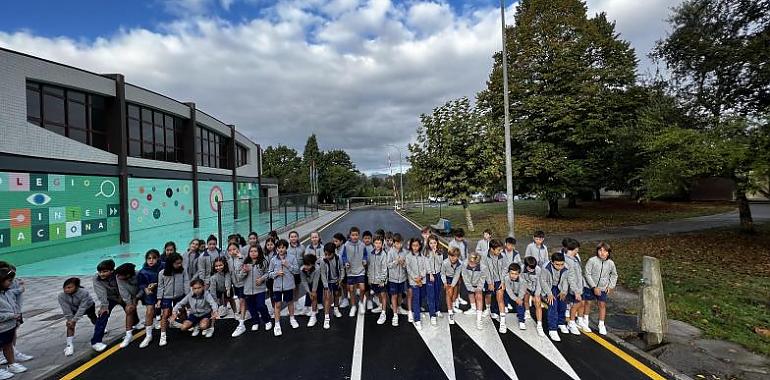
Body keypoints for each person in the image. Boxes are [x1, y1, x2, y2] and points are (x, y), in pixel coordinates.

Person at [90, 260, 127, 352]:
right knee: (103, 315)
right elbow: (100, 292)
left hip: (121, 295)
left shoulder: (118, 274)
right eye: (100, 271)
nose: (101, 274)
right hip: (108, 298)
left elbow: (124, 285)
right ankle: (96, 342)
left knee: (130, 309)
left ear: (112, 271)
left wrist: (123, 298)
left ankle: (134, 324)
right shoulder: (96, 278)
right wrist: (104, 306)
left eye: (104, 271)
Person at [583, 242, 618, 336]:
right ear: (597, 251)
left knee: (602, 304)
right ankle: (585, 320)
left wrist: (610, 286)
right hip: (589, 286)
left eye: (605, 251)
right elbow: (587, 273)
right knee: (588, 302)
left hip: (603, 288)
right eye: (600, 250)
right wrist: (593, 287)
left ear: (608, 253)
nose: (602, 253)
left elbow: (614, 275)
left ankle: (601, 324)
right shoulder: (592, 260)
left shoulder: (611, 263)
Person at [58, 277, 97, 356]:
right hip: (73, 309)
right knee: (70, 324)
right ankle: (69, 345)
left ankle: (99, 328)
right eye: (65, 288)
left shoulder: (84, 293)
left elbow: (82, 307)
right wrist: (70, 320)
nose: (66, 290)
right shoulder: (61, 296)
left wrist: (75, 319)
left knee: (92, 317)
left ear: (76, 287)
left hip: (88, 306)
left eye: (69, 287)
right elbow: (65, 308)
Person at [269, 239, 299, 336]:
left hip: (288, 285)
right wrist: (276, 273)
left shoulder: (292, 257)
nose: (281, 249)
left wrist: (288, 265)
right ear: (277, 249)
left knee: (290, 302)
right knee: (277, 305)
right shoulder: (273, 260)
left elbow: (296, 270)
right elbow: (269, 273)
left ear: (286, 248)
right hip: (277, 286)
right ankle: (277, 324)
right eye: (279, 248)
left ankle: (292, 318)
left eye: (283, 247)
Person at [156, 253, 186, 347]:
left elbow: (186, 282)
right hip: (167, 296)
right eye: (177, 263)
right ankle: (163, 335)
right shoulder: (162, 273)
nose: (179, 265)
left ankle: (186, 326)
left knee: (182, 311)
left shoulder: (182, 271)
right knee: (165, 314)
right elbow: (160, 287)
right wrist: (159, 299)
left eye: (180, 263)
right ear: (171, 263)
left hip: (179, 295)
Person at [240, 245, 272, 333]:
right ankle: (255, 321)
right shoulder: (246, 263)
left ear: (259, 252)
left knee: (260, 305)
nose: (253, 253)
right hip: (248, 290)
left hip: (260, 289)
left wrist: (262, 279)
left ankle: (267, 320)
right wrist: (244, 271)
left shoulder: (263, 262)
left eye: (255, 251)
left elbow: (268, 273)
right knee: (251, 307)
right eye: (251, 251)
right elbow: (240, 277)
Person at [0, 268, 25, 377]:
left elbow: (16, 295)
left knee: (8, 345)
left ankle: (11, 364)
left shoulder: (6, 292)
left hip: (8, 326)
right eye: (9, 280)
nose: (11, 282)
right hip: (2, 326)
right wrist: (11, 316)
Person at [539, 251, 569, 342]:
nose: (560, 267)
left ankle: (561, 322)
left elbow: (566, 280)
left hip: (560, 286)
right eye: (557, 265)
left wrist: (564, 291)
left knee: (562, 305)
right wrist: (549, 294)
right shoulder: (545, 268)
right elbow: (543, 281)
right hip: (549, 287)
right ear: (552, 262)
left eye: (562, 264)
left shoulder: (566, 267)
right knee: (553, 305)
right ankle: (552, 329)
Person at [136, 249, 163, 348]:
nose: (151, 260)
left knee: (167, 309)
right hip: (151, 293)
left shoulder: (163, 266)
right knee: (149, 311)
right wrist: (146, 289)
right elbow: (141, 284)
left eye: (154, 258)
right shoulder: (143, 271)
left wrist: (157, 284)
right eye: (149, 258)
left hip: (163, 291)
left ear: (158, 258)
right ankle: (148, 335)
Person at [341, 227, 368, 317]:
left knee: (362, 288)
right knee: (351, 289)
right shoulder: (346, 245)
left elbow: (365, 254)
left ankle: (360, 303)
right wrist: (345, 262)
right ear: (350, 235)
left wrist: (364, 260)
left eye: (356, 235)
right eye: (353, 235)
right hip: (351, 271)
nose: (355, 237)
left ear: (358, 235)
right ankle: (353, 306)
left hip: (360, 269)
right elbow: (343, 256)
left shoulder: (362, 244)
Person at [483, 239, 509, 331]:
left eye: (501, 249)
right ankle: (489, 309)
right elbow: (485, 270)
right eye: (498, 250)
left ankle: (502, 322)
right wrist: (489, 282)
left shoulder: (503, 256)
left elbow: (505, 269)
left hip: (499, 280)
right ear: (492, 249)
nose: (500, 251)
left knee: (500, 298)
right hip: (488, 279)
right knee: (488, 295)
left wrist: (503, 281)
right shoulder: (484, 256)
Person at [562, 238, 585, 335]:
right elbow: (571, 278)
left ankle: (572, 322)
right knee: (575, 305)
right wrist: (576, 291)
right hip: (573, 289)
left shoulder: (574, 258)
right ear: (574, 249)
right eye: (577, 249)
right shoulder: (568, 261)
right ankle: (571, 323)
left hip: (578, 287)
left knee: (577, 304)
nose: (578, 251)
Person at [115, 263, 140, 348]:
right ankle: (128, 334)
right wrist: (130, 303)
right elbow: (123, 292)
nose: (117, 276)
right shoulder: (118, 278)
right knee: (129, 309)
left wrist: (136, 297)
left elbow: (144, 287)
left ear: (128, 275)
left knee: (151, 307)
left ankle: (156, 318)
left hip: (143, 293)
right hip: (131, 295)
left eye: (120, 275)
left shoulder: (139, 275)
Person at [406, 238, 428, 330]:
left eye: (417, 245)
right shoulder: (408, 256)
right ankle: (417, 319)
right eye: (413, 245)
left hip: (422, 280)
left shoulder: (422, 257)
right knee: (416, 298)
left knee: (422, 296)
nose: (415, 247)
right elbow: (408, 269)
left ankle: (417, 309)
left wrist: (421, 277)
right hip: (413, 281)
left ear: (420, 246)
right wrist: (416, 278)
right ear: (411, 246)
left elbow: (425, 268)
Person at [225, 243, 246, 337]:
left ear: (238, 249)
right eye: (230, 250)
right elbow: (228, 275)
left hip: (244, 284)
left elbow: (246, 269)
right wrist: (228, 287)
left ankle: (241, 323)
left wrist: (241, 258)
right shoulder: (228, 261)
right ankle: (244, 316)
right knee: (242, 301)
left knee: (242, 301)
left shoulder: (242, 258)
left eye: (234, 249)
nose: (232, 251)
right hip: (236, 285)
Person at [386, 233, 408, 327]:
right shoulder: (390, 252)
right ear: (394, 243)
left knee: (400, 294)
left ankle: (399, 308)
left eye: (401, 243)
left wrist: (403, 263)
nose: (399, 245)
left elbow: (406, 265)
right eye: (397, 243)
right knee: (394, 296)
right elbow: (388, 265)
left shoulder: (405, 252)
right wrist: (396, 262)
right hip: (393, 279)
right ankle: (395, 315)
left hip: (402, 278)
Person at [521, 256, 545, 337]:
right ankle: (527, 311)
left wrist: (536, 294)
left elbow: (539, 283)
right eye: (530, 268)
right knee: (526, 299)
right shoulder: (521, 268)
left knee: (538, 304)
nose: (532, 270)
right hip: (526, 286)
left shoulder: (538, 269)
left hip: (535, 287)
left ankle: (539, 324)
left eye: (533, 268)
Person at [320, 242, 343, 329]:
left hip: (336, 281)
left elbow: (341, 269)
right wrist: (326, 287)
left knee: (336, 295)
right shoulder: (323, 261)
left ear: (333, 253)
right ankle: (326, 318)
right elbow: (323, 274)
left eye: (328, 255)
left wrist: (340, 280)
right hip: (328, 282)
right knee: (327, 298)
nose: (327, 256)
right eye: (325, 254)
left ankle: (336, 309)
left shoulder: (338, 258)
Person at [367, 235, 389, 325]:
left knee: (383, 295)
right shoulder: (371, 253)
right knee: (378, 294)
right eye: (376, 243)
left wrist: (382, 280)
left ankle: (383, 313)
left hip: (381, 281)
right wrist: (369, 277)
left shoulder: (383, 254)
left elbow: (384, 268)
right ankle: (380, 306)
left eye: (380, 243)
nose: (378, 245)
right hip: (373, 280)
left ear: (382, 244)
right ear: (373, 243)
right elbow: (370, 266)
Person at [461, 254, 486, 330]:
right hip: (469, 282)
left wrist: (479, 288)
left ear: (477, 262)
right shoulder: (464, 264)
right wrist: (471, 288)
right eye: (470, 262)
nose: (471, 265)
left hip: (478, 282)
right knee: (470, 294)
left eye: (473, 263)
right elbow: (464, 277)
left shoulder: (483, 267)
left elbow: (482, 279)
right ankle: (473, 308)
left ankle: (479, 319)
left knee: (479, 297)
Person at [448, 228, 470, 308]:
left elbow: (466, 253)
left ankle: (458, 297)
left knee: (460, 282)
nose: (460, 239)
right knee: (455, 283)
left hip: (463, 265)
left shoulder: (464, 242)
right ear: (455, 236)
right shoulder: (451, 244)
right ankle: (454, 301)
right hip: (455, 265)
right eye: (458, 237)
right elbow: (451, 256)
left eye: (461, 237)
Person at [503, 263, 527, 332]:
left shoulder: (523, 280)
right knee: (504, 292)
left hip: (518, 294)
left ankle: (521, 321)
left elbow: (522, 291)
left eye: (515, 274)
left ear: (519, 274)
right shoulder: (506, 278)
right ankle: (506, 305)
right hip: (510, 294)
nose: (513, 276)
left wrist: (519, 299)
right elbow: (509, 290)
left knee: (520, 304)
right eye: (512, 273)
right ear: (509, 273)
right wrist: (515, 299)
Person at [441, 248, 463, 325]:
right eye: (451, 256)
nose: (453, 258)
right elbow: (442, 273)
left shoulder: (460, 263)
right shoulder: (445, 262)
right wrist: (445, 283)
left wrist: (452, 286)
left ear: (458, 256)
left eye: (455, 256)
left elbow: (457, 275)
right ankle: (450, 312)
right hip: (447, 278)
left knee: (454, 296)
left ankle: (453, 307)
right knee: (449, 294)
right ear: (448, 255)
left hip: (455, 279)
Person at [425, 235, 444, 321]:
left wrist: (435, 254)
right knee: (431, 295)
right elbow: (426, 264)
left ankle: (437, 310)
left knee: (437, 293)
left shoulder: (440, 251)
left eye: (434, 243)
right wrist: (430, 274)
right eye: (431, 243)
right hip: (430, 275)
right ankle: (432, 315)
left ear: (437, 243)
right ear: (428, 244)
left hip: (438, 274)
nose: (433, 245)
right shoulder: (426, 252)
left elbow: (441, 263)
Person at [299, 255, 321, 327]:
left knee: (314, 295)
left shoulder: (317, 269)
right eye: (305, 264)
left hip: (318, 281)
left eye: (308, 265)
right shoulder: (302, 269)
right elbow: (304, 281)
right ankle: (310, 307)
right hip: (309, 282)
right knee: (310, 293)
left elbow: (315, 281)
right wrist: (309, 292)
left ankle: (313, 315)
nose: (306, 266)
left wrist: (313, 292)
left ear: (313, 264)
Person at [287, 231, 305, 314]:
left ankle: (296, 301)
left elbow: (304, 258)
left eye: (295, 236)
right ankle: (291, 304)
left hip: (298, 271)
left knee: (297, 287)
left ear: (297, 237)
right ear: (289, 238)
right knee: (291, 288)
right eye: (291, 236)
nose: (293, 238)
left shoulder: (302, 247)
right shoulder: (287, 248)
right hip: (290, 271)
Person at [331, 233, 349, 309]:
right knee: (339, 285)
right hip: (337, 269)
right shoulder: (335, 248)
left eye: (336, 241)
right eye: (333, 241)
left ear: (341, 241)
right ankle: (340, 298)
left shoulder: (345, 247)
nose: (334, 243)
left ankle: (346, 299)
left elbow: (346, 257)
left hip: (344, 269)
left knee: (344, 285)